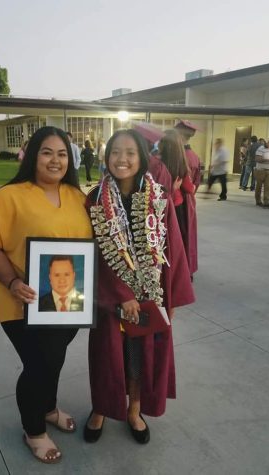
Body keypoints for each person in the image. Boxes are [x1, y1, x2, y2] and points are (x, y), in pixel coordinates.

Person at [0, 126, 92, 464]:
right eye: (47, 152)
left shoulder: (77, 196)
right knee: (39, 364)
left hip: (68, 305)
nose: (55, 160)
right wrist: (12, 281)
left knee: (53, 359)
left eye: (61, 153)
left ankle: (49, 407)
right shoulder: (9, 196)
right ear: (32, 156)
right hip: (21, 303)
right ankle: (33, 430)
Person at [84, 129, 195, 445]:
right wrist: (121, 295)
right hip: (109, 302)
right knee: (107, 357)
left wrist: (170, 298)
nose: (122, 159)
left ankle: (134, 410)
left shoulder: (158, 198)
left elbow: (173, 246)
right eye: (116, 152)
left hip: (148, 297)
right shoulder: (95, 199)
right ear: (107, 157)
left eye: (130, 152)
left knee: (138, 359)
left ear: (141, 157)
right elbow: (95, 254)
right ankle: (101, 409)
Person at [158, 130, 196, 267]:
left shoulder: (158, 165)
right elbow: (190, 188)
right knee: (178, 240)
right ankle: (180, 268)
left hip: (161, 207)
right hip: (177, 208)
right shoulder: (181, 165)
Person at [174, 120, 200, 276]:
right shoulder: (194, 156)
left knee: (180, 235)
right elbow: (197, 182)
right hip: (189, 200)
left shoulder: (179, 156)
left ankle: (182, 271)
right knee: (188, 235)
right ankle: (188, 269)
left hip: (179, 200)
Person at [254, 136, 269, 208]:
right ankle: (258, 201)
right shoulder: (261, 149)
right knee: (259, 186)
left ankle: (266, 202)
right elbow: (257, 159)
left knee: (267, 187)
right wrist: (268, 160)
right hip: (260, 170)